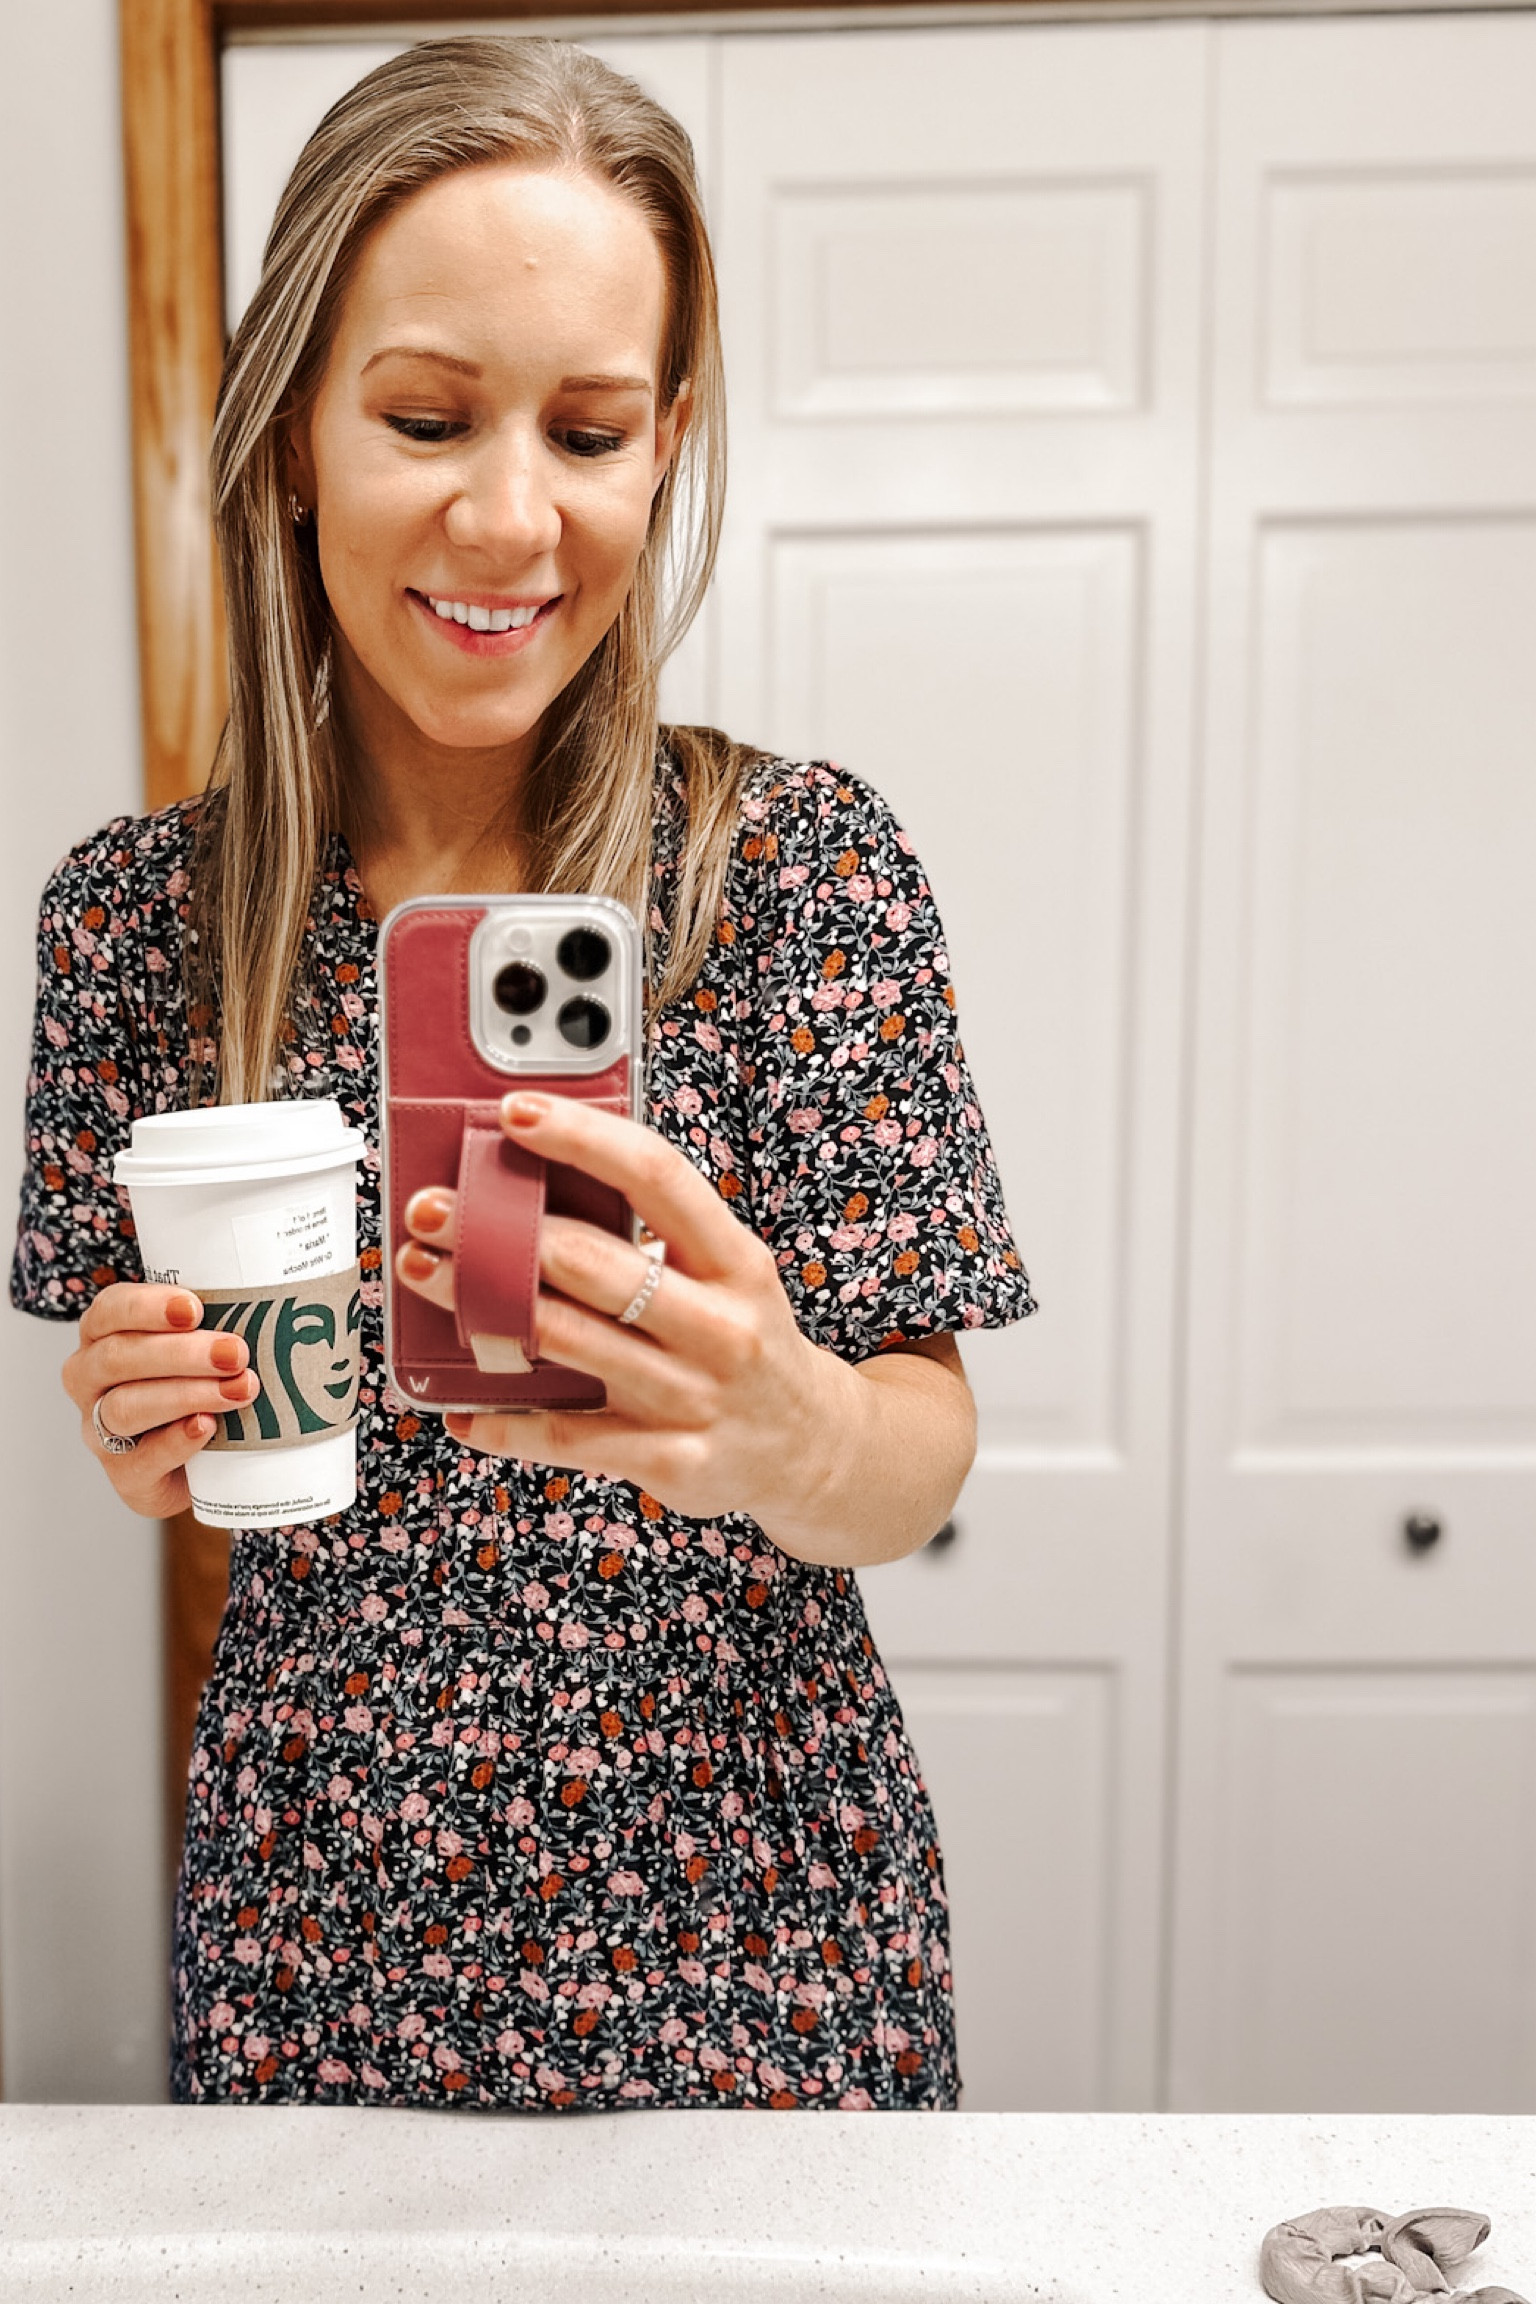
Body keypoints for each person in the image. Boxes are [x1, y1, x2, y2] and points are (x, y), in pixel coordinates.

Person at [11, 36, 1034, 2110]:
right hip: (320, 1942)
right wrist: (149, 1427)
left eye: (589, 429)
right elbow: (177, 1450)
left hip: (765, 1953)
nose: (508, 516)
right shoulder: (133, 922)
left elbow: (920, 1455)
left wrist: (785, 1420)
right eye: (420, 415)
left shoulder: (800, 873)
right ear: (296, 434)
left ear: (665, 447)